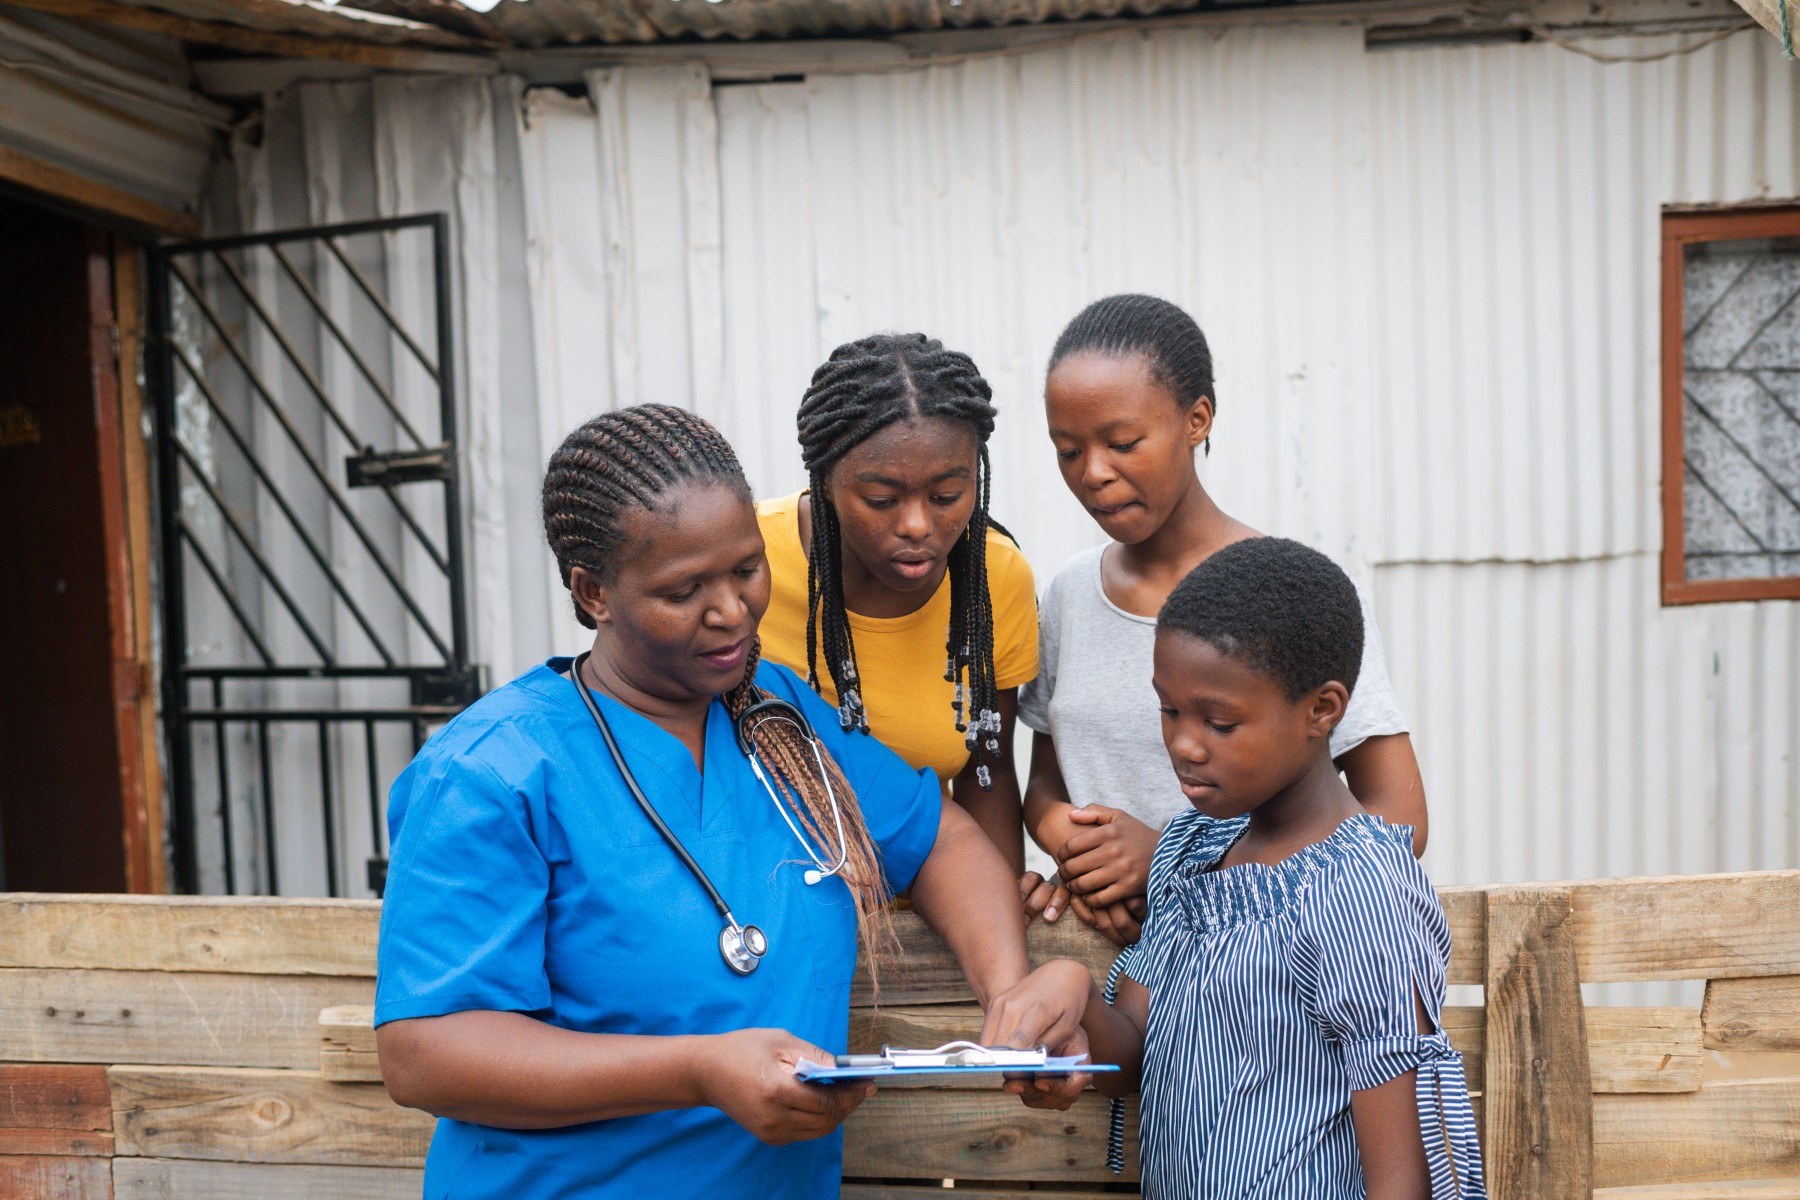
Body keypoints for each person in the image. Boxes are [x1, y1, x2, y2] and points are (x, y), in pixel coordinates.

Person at [374, 404, 1086, 1200]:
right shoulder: (492, 769)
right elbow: (423, 1053)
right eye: (684, 590)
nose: (732, 611)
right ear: (593, 592)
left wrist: (1011, 998)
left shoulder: (776, 716)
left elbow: (937, 839)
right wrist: (699, 1070)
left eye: (747, 569)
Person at [1007, 538, 1484, 1200]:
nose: (1183, 744)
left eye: (1220, 723)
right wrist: (1076, 996)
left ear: (1322, 710)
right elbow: (1137, 1049)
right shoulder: (1192, 851)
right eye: (1169, 710)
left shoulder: (1358, 891)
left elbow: (1402, 1177)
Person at [1018, 294, 1428, 945]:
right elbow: (1045, 781)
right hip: (1108, 958)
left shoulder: (1286, 591)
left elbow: (1399, 820)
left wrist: (1169, 861)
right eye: (1068, 451)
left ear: (1197, 419)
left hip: (1254, 972)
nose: (1093, 473)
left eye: (1123, 443)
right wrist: (1073, 842)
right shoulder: (1069, 594)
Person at [756, 333, 1038, 873]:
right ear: (826, 478)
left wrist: (1003, 896)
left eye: (946, 496)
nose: (916, 525)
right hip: (770, 894)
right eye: (881, 499)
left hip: (935, 896)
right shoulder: (746, 561)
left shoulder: (994, 578)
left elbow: (988, 769)